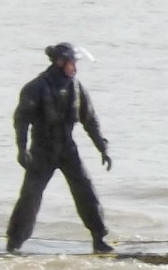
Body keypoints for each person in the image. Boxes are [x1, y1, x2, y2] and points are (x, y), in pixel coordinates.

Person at [8, 42, 114, 254]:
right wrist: (21, 149)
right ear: (60, 62)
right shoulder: (35, 88)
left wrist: (102, 147)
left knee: (86, 192)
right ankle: (14, 243)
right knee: (30, 197)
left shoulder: (76, 87)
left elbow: (90, 120)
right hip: (41, 151)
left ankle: (99, 239)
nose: (74, 67)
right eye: (72, 63)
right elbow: (21, 121)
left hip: (67, 149)